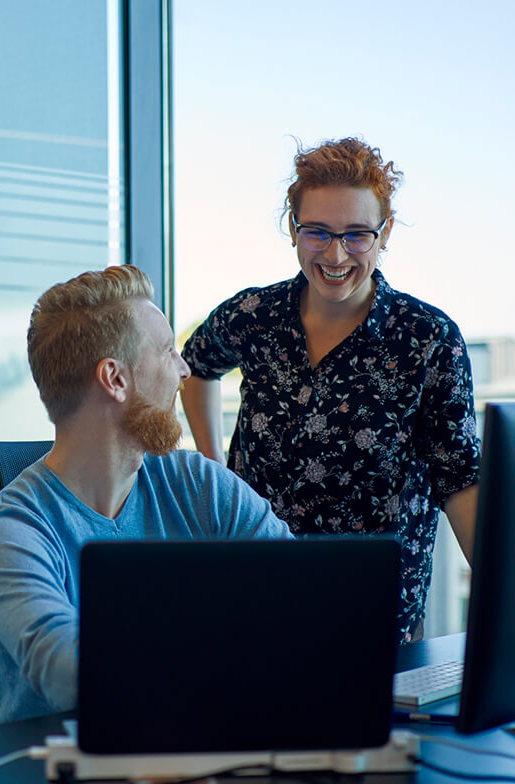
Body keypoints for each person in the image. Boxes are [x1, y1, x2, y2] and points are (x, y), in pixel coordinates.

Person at [179, 138, 480, 643]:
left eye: (357, 235)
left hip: (373, 615)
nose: (335, 254)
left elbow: (460, 479)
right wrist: (215, 471)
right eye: (316, 232)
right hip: (251, 594)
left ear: (384, 234)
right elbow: (194, 366)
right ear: (292, 229)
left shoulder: (428, 339)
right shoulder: (255, 316)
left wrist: (505, 598)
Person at [0, 265, 292, 724]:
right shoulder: (8, 531)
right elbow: (71, 677)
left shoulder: (198, 484)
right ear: (114, 379)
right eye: (166, 352)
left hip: (209, 742)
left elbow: (302, 598)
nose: (184, 370)